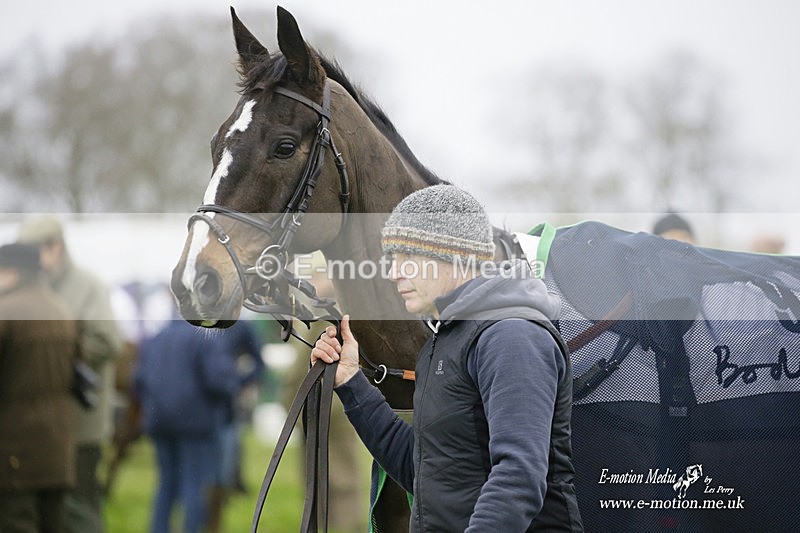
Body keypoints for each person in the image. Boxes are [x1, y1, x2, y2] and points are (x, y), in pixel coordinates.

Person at [312, 185, 584, 532]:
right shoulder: (445, 340)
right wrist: (351, 382)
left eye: (406, 257)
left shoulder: (512, 336)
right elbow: (424, 472)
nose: (394, 272)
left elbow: (519, 476)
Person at [17, 215, 124, 533]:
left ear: (56, 248)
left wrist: (52, 354)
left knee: (79, 511)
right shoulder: (33, 286)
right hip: (42, 426)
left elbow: (107, 342)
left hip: (80, 428)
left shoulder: (87, 286)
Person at [0, 243, 79, 532]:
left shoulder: (6, 311)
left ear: (10, 271)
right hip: (57, 450)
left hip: (13, 453)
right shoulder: (62, 309)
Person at [134, 315, 238, 533]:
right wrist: (235, 388)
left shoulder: (154, 339)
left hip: (160, 423)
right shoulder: (206, 337)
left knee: (165, 485)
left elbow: (138, 382)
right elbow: (220, 381)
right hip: (197, 426)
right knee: (195, 485)